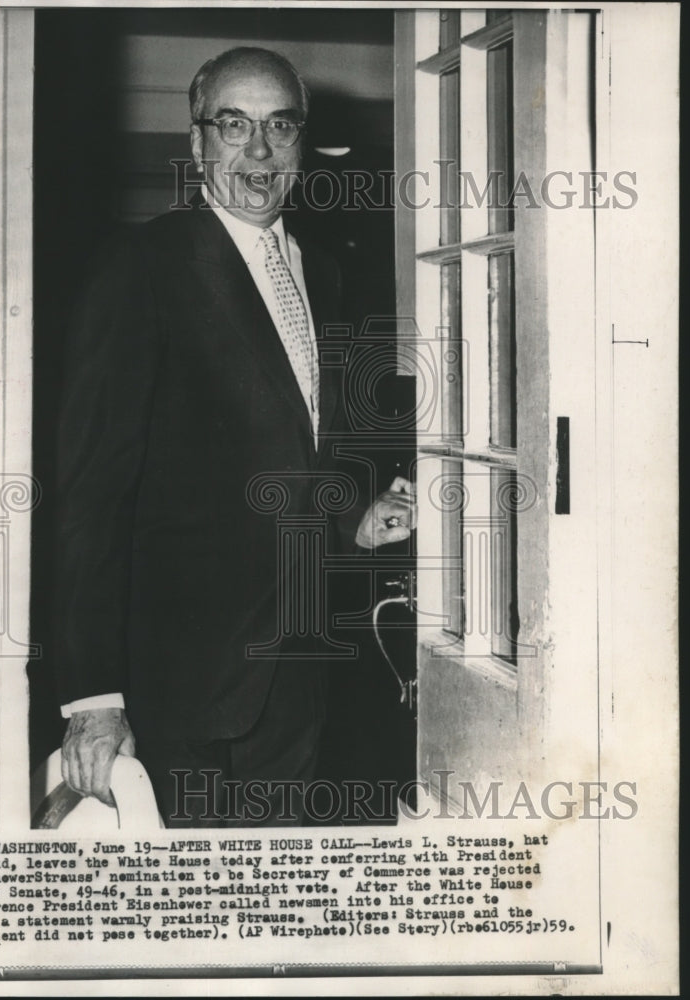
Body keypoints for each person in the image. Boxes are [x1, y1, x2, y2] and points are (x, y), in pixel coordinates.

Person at [54, 46, 415, 827]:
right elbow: (90, 495)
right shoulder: (140, 267)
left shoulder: (322, 270)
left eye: (279, 128)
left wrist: (353, 514)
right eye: (234, 125)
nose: (258, 151)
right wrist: (93, 697)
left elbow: (295, 440)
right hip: (181, 687)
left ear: (301, 144)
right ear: (198, 144)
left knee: (272, 914)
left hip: (303, 673)